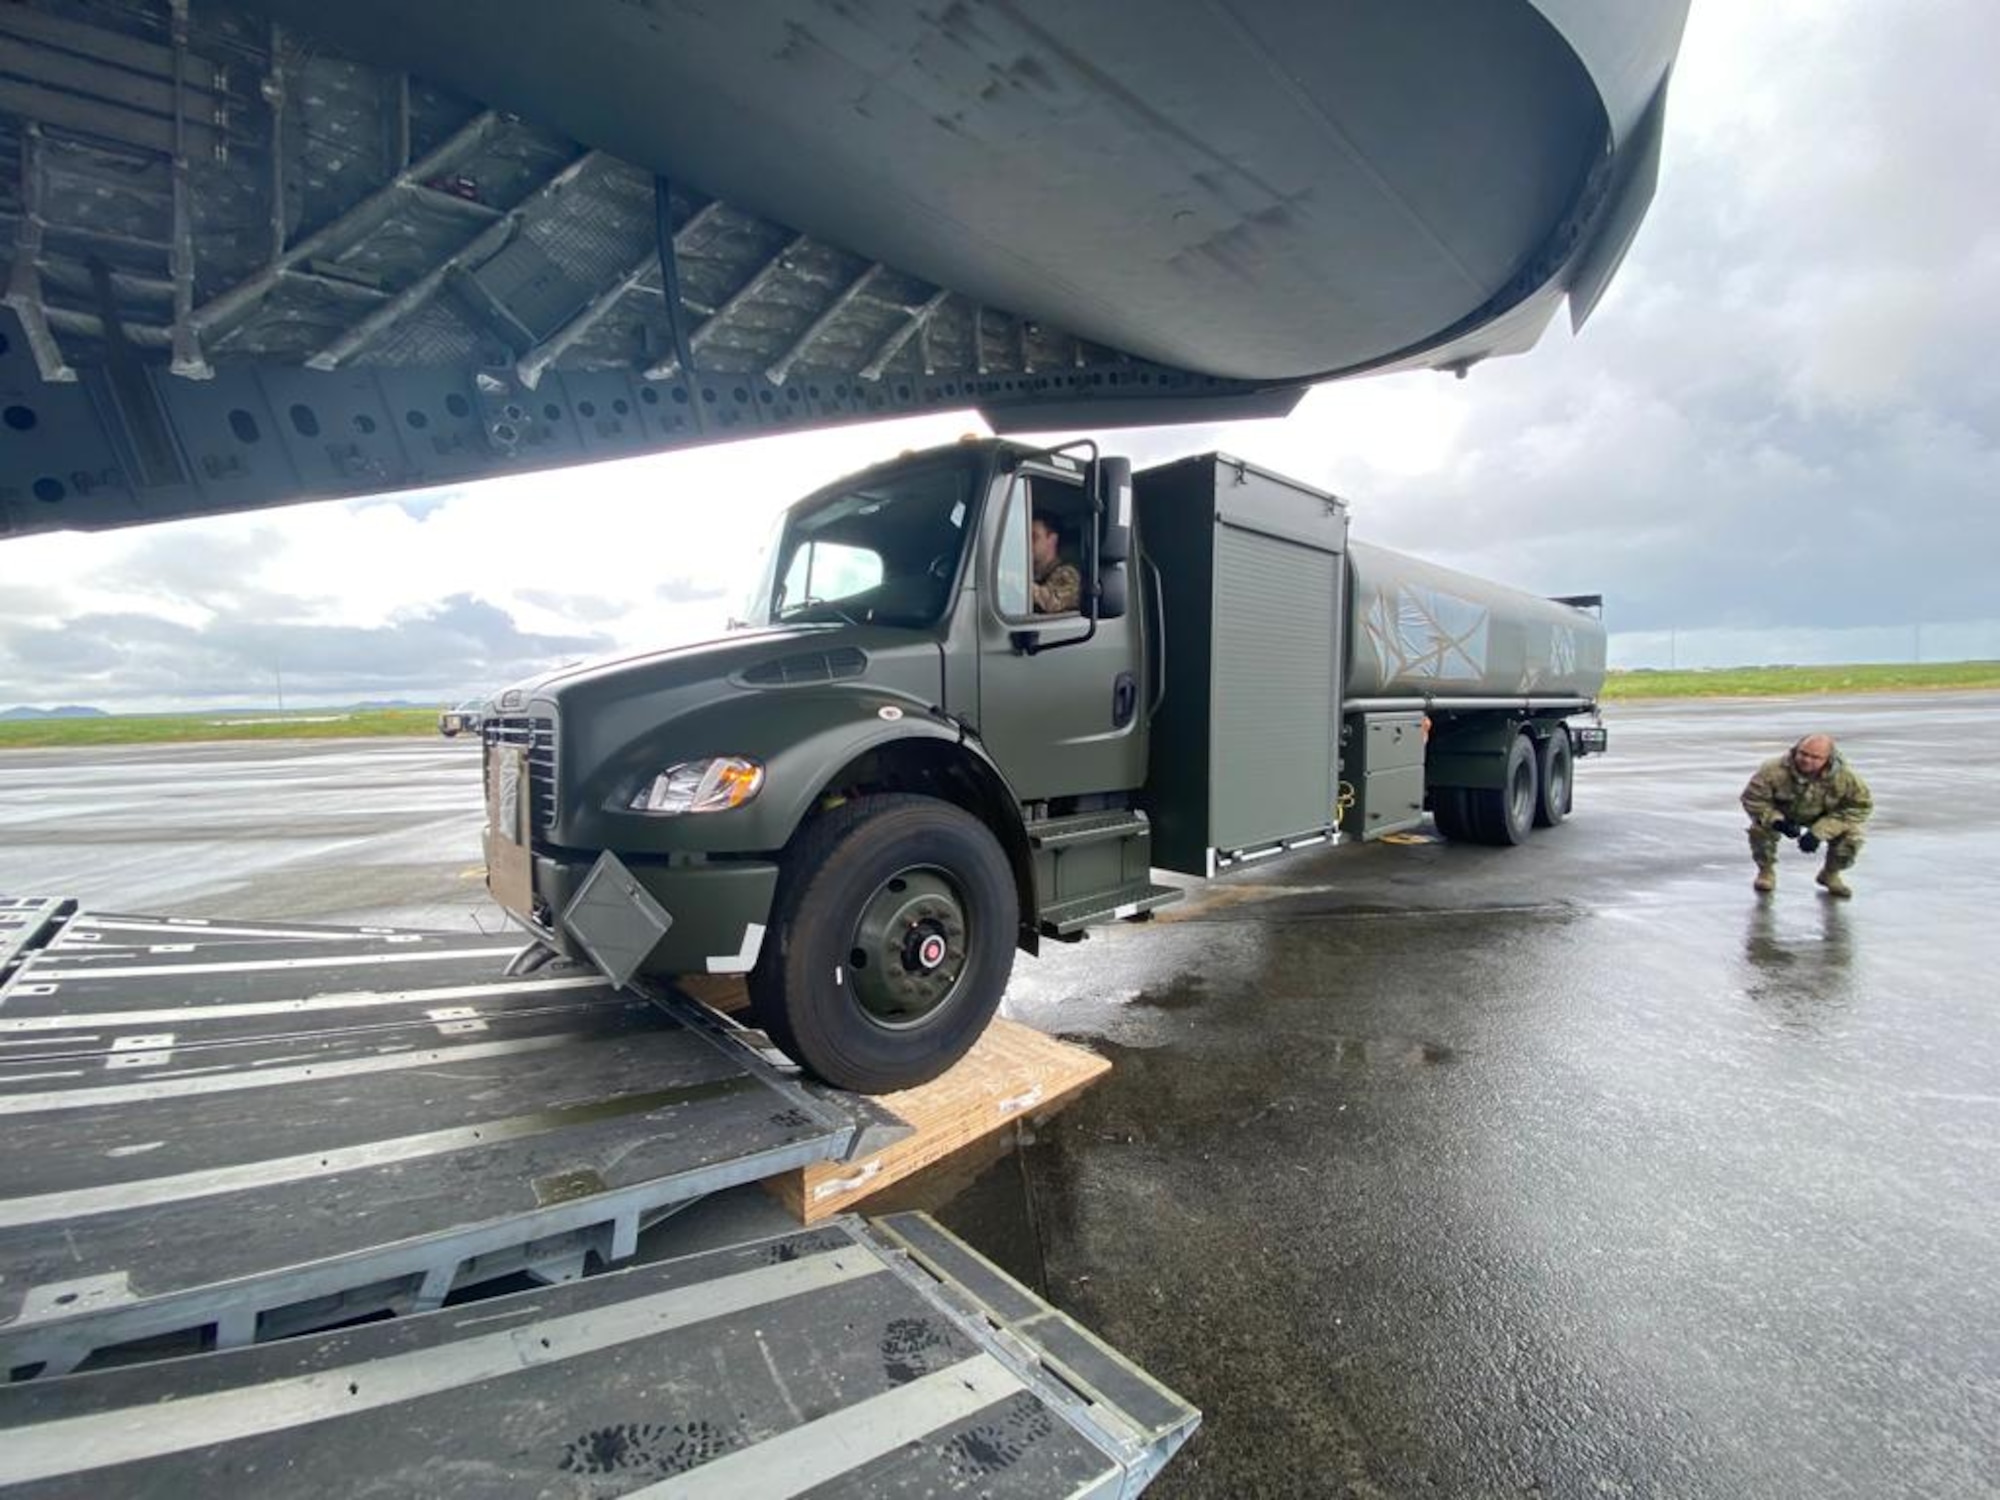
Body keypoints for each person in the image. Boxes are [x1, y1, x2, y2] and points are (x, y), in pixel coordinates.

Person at [1740, 733, 1872, 898]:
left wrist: (1819, 832)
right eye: (1803, 754)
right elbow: (1753, 799)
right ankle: (1765, 871)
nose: (1807, 760)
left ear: (1828, 758)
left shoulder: (1845, 777)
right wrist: (1777, 821)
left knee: (1853, 835)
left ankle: (1830, 874)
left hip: (1822, 817)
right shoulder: (1773, 769)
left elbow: (1858, 808)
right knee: (1759, 829)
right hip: (1783, 814)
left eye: (1815, 757)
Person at [1031, 511, 1080, 614]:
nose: (1027, 543)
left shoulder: (1068, 574)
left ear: (1052, 540)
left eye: (1034, 537)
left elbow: (1052, 602)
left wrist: (1012, 580)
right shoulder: (1031, 573)